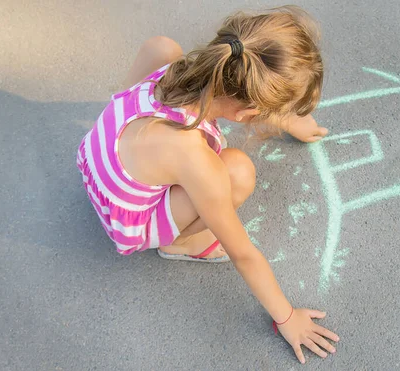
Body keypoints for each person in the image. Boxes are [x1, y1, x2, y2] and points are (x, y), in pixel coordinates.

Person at [76, 5, 338, 363]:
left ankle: (160, 205)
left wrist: (289, 120)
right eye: (276, 113)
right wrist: (288, 318)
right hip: (125, 222)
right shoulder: (193, 156)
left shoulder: (166, 59)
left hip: (98, 162)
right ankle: (184, 244)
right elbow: (244, 254)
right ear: (247, 114)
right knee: (237, 171)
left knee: (207, 161)